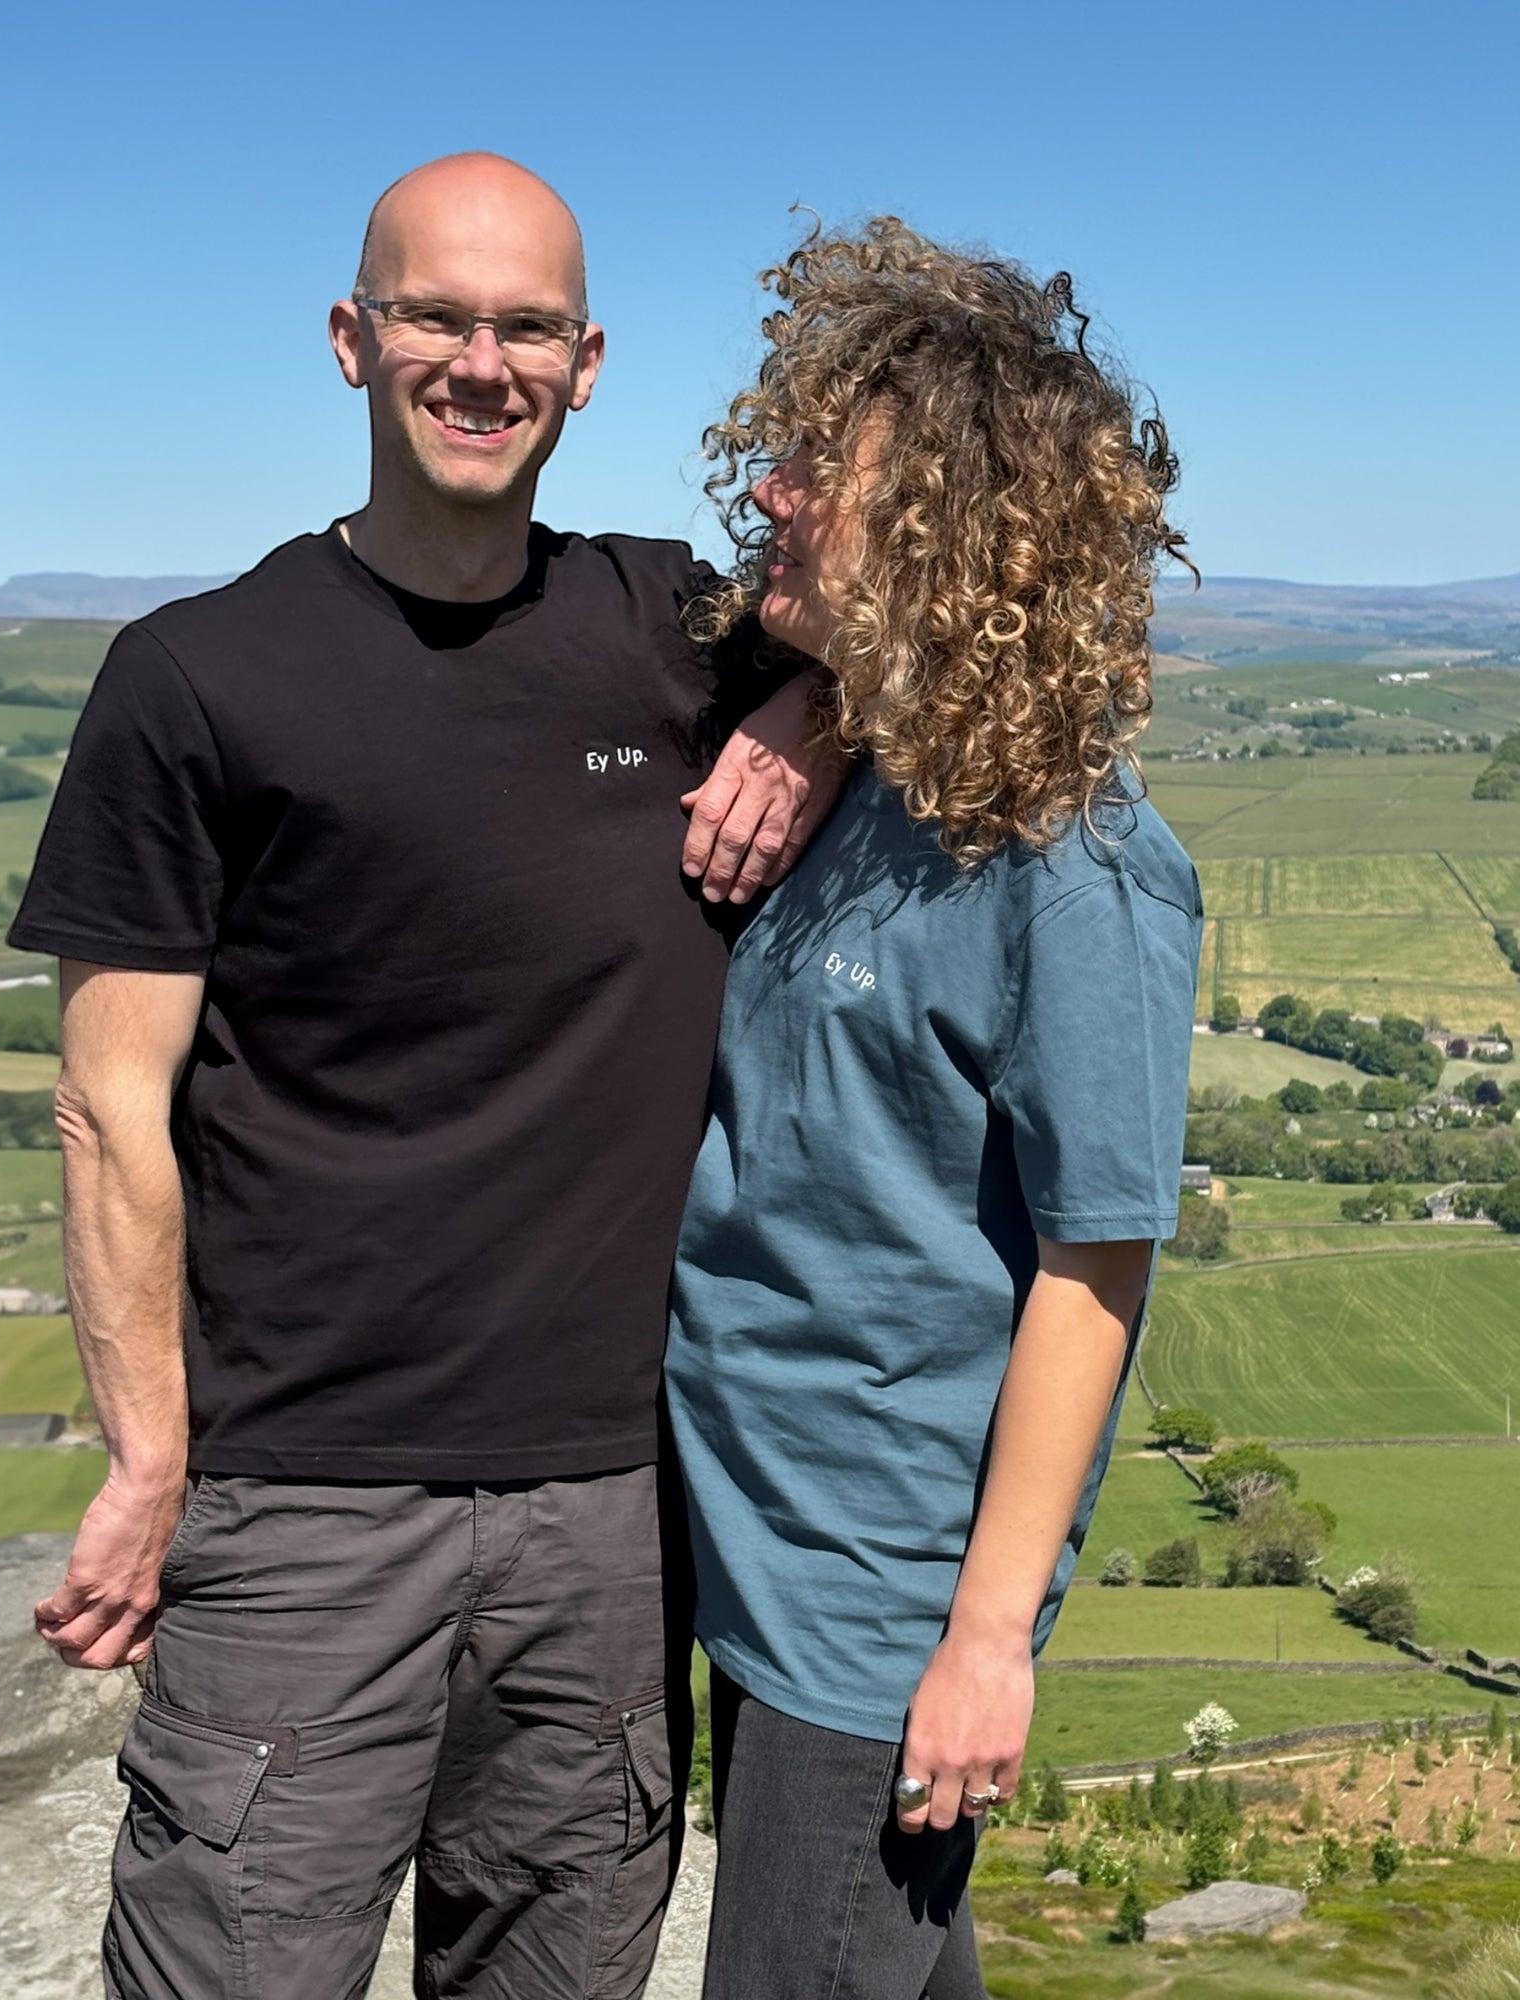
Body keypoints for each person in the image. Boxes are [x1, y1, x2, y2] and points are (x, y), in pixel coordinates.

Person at [6, 153, 837, 2000]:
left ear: (591, 361)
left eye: (527, 324)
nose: (482, 361)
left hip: (615, 1508)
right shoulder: (197, 676)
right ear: (352, 339)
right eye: (436, 317)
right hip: (303, 1501)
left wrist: (812, 710)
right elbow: (106, 1106)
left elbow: (959, 637)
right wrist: (152, 1457)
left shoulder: (682, 631)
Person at [664, 218, 1203, 1999]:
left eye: (820, 466)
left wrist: (986, 1643)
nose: (770, 484)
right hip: (741, 1528)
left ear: (947, 530)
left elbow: (1093, 1266)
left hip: (876, 1598)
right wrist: (820, 695)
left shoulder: (1077, 864)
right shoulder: (872, 764)